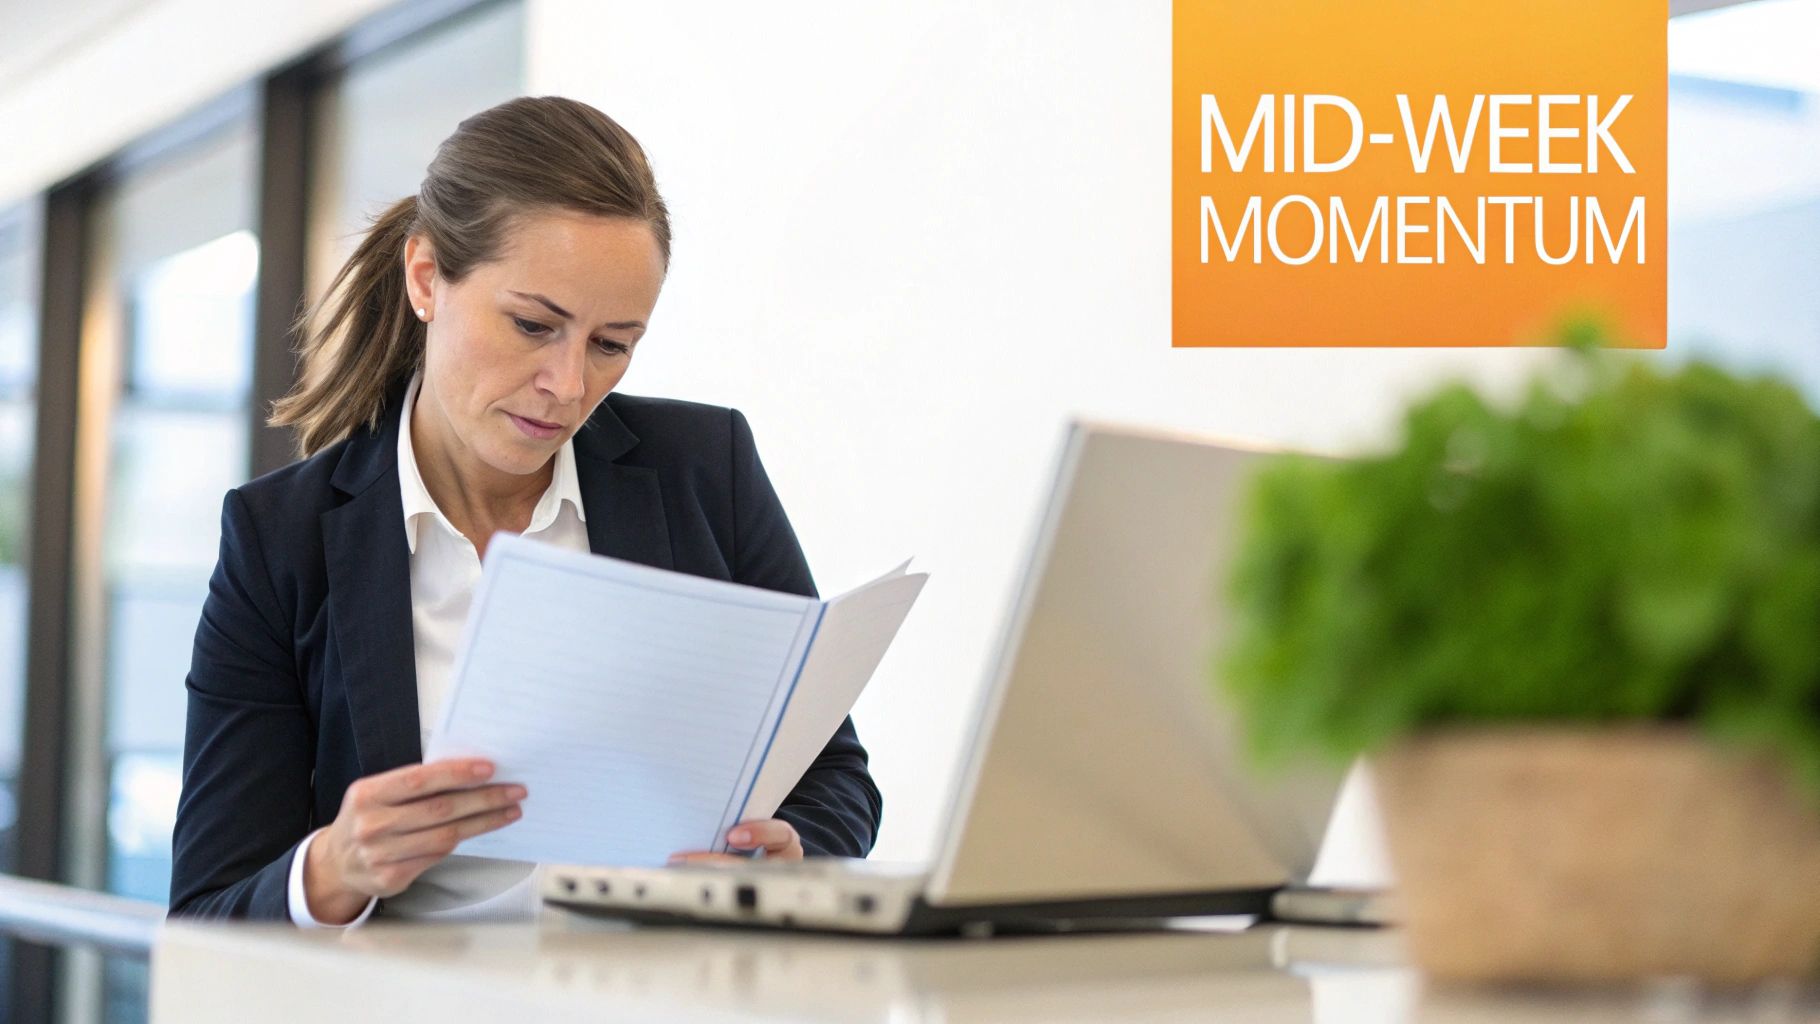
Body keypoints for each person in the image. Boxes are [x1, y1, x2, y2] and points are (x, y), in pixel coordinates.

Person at [168, 96, 881, 925]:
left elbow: (834, 774)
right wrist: (334, 867)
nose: (569, 385)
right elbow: (208, 910)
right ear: (427, 278)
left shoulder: (704, 471)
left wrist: (794, 846)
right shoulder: (279, 542)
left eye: (612, 343)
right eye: (533, 325)